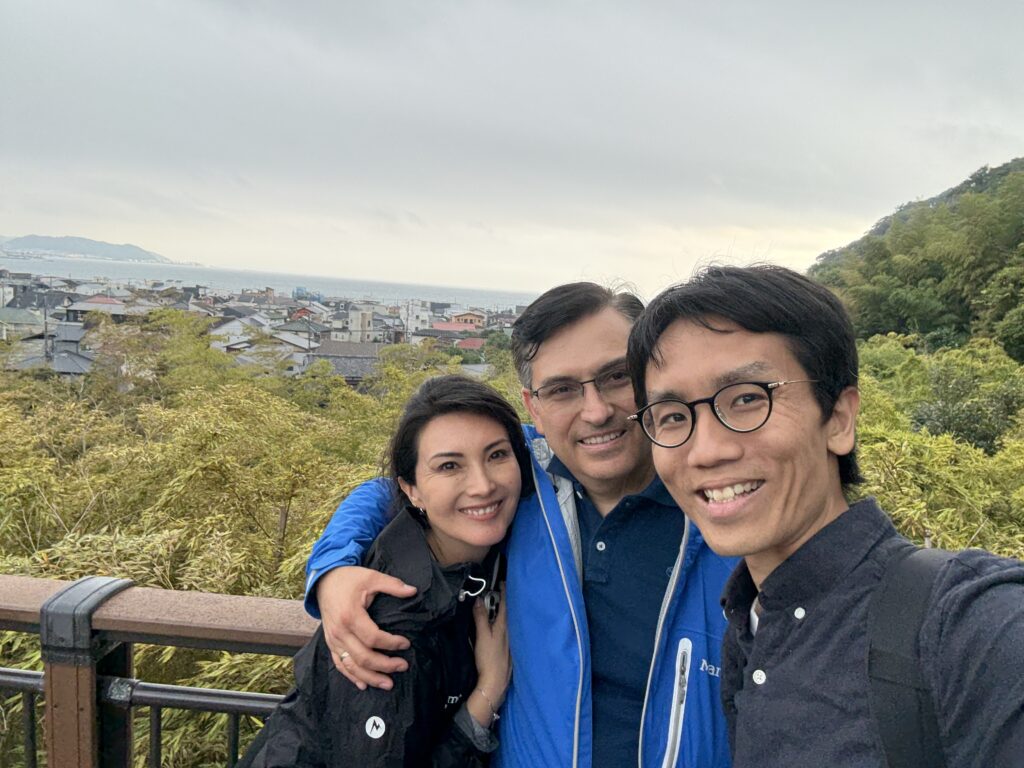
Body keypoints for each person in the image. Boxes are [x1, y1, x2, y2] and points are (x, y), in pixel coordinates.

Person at [305, 283, 736, 767]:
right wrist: (333, 569)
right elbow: (391, 487)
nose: (595, 412)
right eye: (562, 389)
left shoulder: (722, 496)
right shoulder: (519, 477)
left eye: (617, 376)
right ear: (535, 407)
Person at [625, 264, 1024, 767]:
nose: (704, 452)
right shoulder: (746, 624)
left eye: (747, 399)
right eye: (674, 417)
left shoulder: (966, 625)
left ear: (838, 419)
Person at [238, 375, 536, 767]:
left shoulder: (467, 558)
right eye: (449, 466)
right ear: (412, 489)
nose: (482, 485)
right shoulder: (388, 625)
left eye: (497, 455)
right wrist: (488, 692)